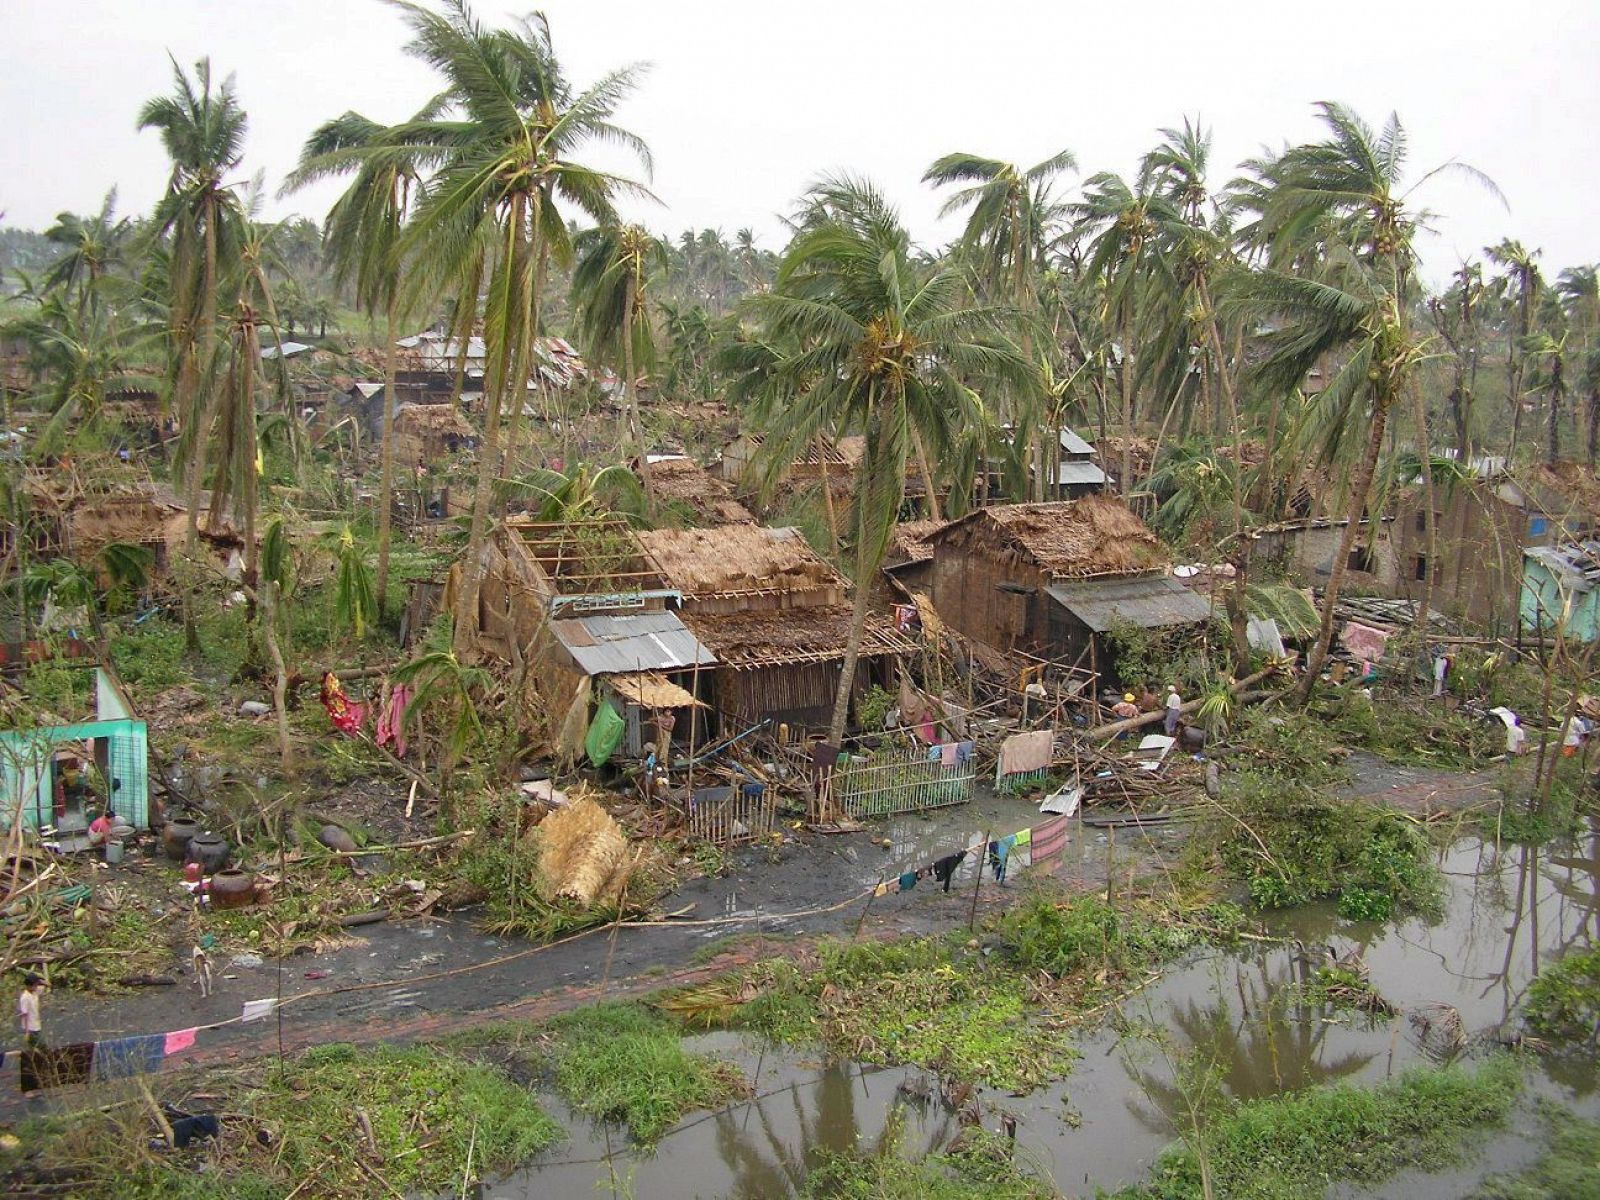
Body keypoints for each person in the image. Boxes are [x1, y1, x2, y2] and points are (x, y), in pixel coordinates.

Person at [18, 975, 44, 1048]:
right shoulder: (25, 997)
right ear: (29, 985)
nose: (37, 986)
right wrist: (27, 1032)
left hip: (37, 1026)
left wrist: (40, 980)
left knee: (36, 1049)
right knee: (41, 1047)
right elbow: (25, 1014)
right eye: (35, 984)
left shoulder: (35, 992)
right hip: (30, 1028)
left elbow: (49, 985)